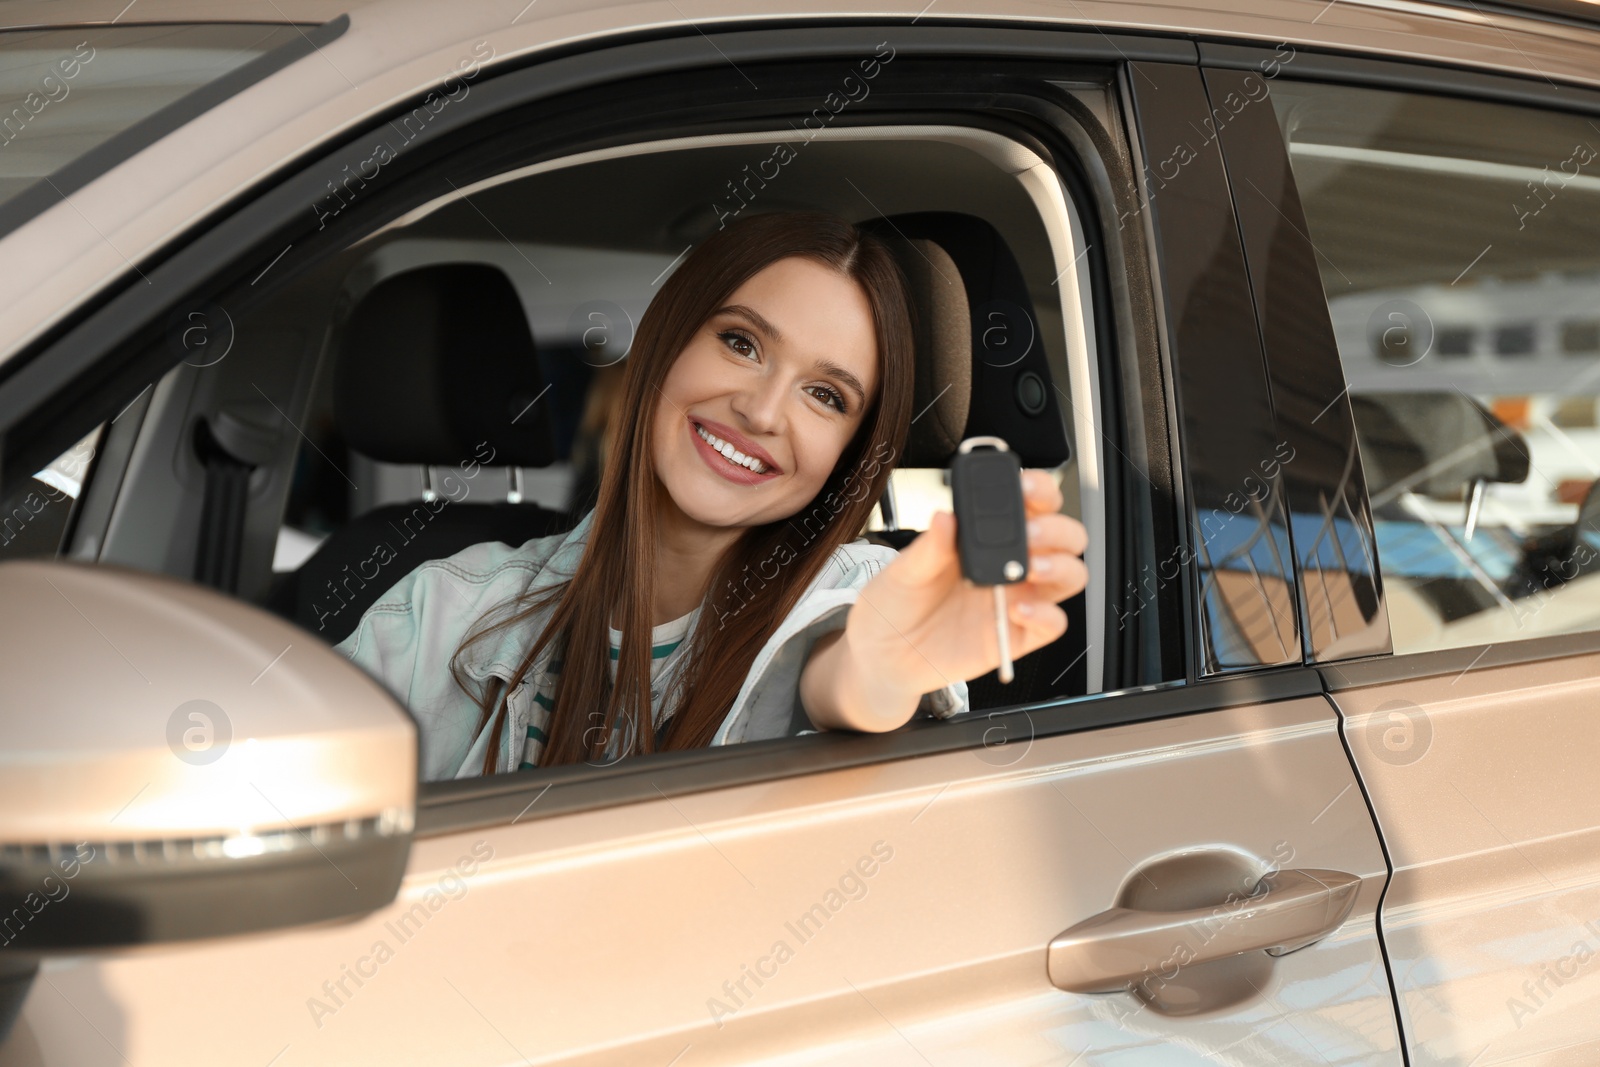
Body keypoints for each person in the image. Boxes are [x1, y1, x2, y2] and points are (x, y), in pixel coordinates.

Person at [333, 210, 1089, 781]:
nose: (762, 412)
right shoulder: (439, 613)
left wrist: (885, 670)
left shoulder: (849, 599)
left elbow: (841, 667)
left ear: (848, 455)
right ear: (666, 342)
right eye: (741, 342)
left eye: (825, 395)